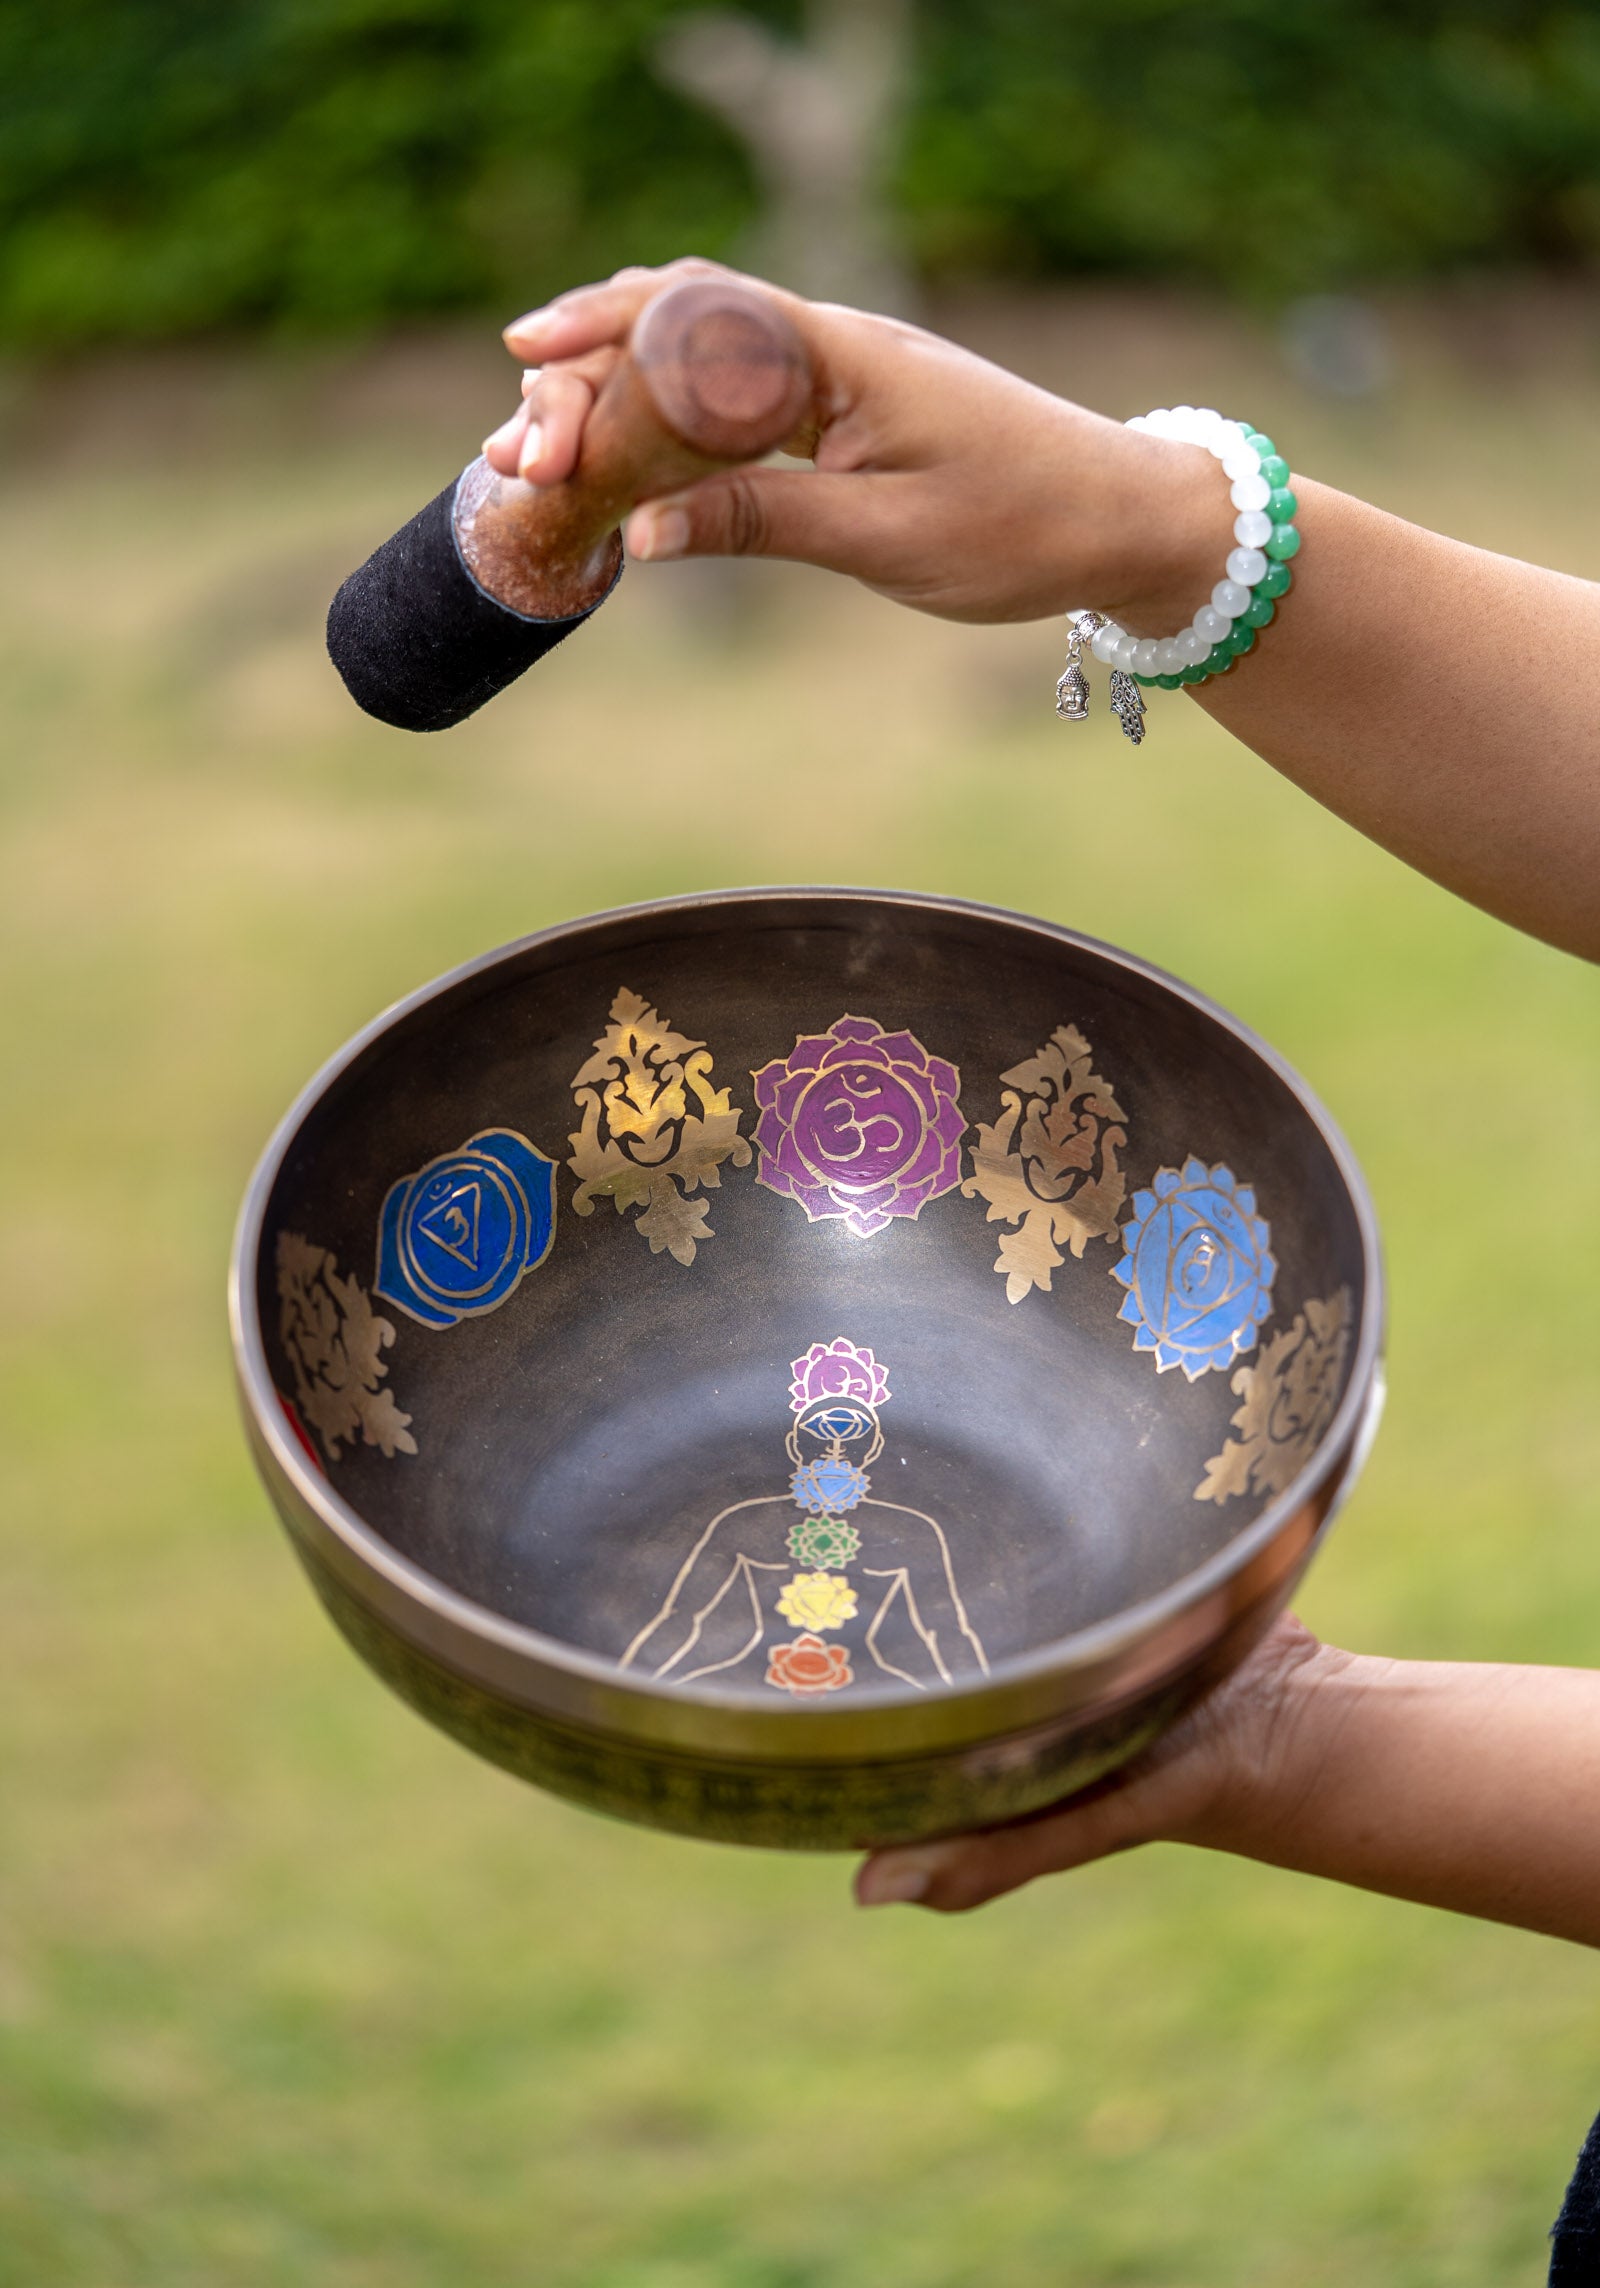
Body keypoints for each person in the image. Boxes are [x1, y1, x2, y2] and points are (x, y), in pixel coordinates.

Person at [482, 258, 1600, 2270]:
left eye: (839, 1417)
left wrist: (1275, 1734)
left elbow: (874, 1596)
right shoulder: (796, 1549)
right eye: (818, 1419)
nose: (828, 1447)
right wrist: (1150, 525)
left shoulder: (880, 1559)